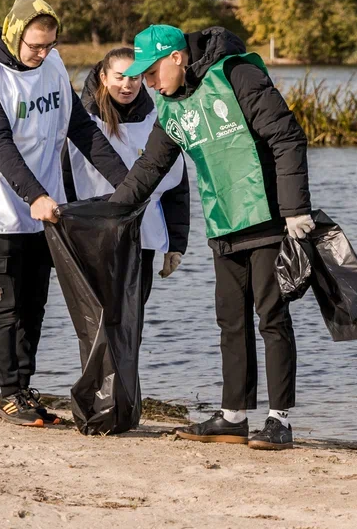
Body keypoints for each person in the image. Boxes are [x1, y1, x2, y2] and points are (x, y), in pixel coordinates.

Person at [108, 24, 314, 451]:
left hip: (269, 217)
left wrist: (295, 209)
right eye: (141, 75)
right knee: (230, 321)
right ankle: (233, 417)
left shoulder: (238, 74)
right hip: (224, 221)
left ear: (177, 58)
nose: (147, 82)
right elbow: (150, 168)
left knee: (271, 319)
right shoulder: (170, 107)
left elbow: (287, 135)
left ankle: (280, 422)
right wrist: (111, 213)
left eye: (152, 72)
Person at [0, 0, 129, 427]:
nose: (43, 53)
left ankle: (25, 388)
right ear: (15, 34)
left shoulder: (52, 68)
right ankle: (8, 394)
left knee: (35, 301)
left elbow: (81, 129)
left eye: (50, 44)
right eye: (36, 45)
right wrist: (34, 194)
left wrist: (128, 183)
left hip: (45, 209)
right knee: (6, 303)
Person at [63, 47, 192, 303]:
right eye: (119, 77)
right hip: (94, 238)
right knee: (101, 317)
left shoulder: (158, 120)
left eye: (134, 77)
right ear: (103, 77)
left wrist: (175, 245)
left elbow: (176, 186)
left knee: (134, 316)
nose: (127, 85)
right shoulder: (82, 123)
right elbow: (66, 183)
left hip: (143, 236)